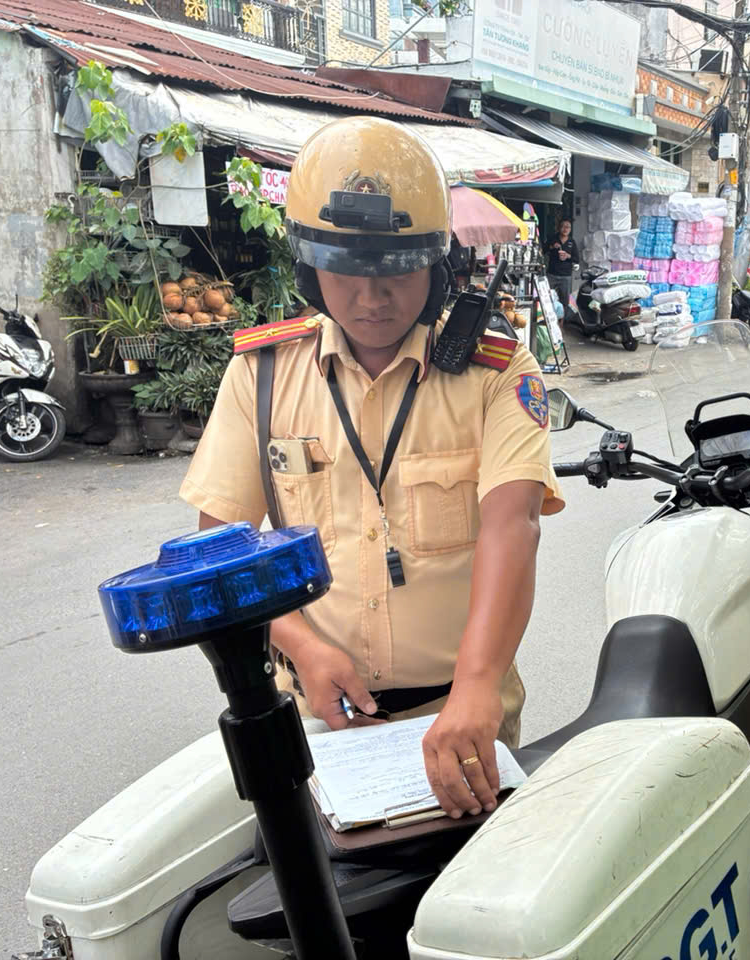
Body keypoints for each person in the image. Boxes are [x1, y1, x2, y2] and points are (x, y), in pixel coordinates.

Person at [180, 116, 564, 820]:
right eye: (346, 273)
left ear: (438, 265)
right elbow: (220, 550)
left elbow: (515, 528)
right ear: (308, 267)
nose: (372, 298)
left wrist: (477, 688)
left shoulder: (497, 373)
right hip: (320, 722)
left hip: (464, 718)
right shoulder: (262, 374)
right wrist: (296, 643)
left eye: (395, 272)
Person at [545, 218, 579, 319]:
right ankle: (548, 319)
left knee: (565, 300)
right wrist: (552, 247)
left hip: (566, 275)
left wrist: (568, 256)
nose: (565, 229)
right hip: (552, 274)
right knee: (547, 297)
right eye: (563, 226)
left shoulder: (572, 242)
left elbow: (576, 259)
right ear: (559, 228)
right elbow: (543, 249)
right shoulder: (553, 238)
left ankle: (562, 323)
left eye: (568, 227)